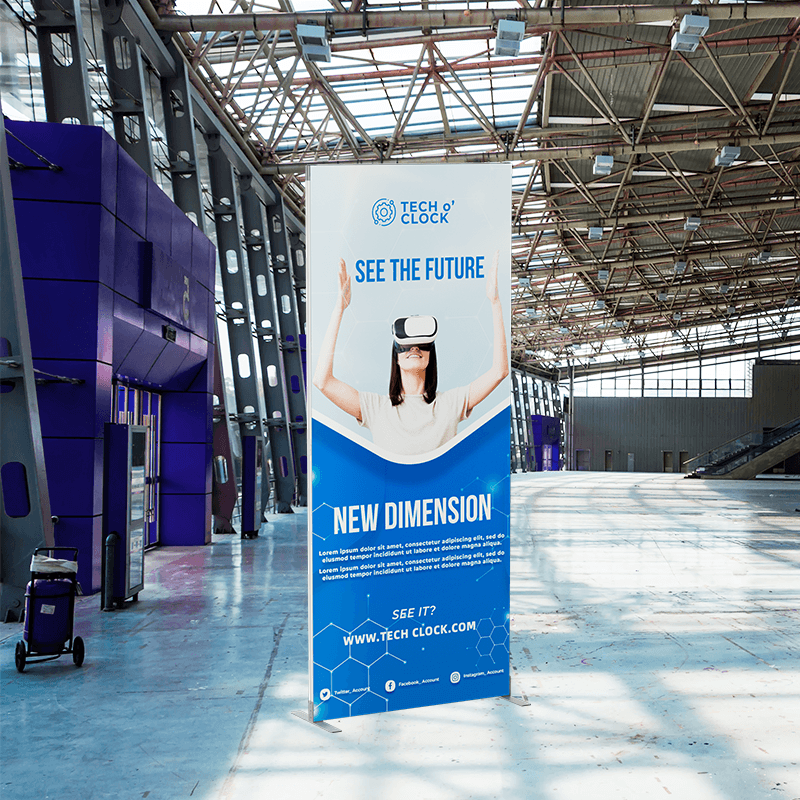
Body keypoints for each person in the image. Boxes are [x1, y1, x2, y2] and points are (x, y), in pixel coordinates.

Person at [313, 253, 508, 456]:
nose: (414, 348)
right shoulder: (376, 408)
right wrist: (339, 309)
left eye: (422, 344)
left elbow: (499, 371)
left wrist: (495, 302)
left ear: (430, 354)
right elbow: (322, 381)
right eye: (407, 345)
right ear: (396, 356)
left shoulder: (449, 404)